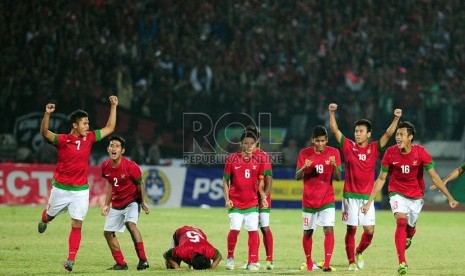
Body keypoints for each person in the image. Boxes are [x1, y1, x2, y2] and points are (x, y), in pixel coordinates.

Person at [361, 121, 459, 275]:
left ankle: (410, 234)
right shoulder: (390, 153)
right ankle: (402, 262)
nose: (398, 138)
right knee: (401, 222)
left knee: (410, 228)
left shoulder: (421, 152)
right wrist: (369, 202)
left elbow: (434, 177)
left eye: (401, 135)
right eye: (397, 135)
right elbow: (381, 179)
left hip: (416, 196)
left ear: (410, 137)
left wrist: (450, 197)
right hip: (396, 192)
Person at [37, 96, 118, 272]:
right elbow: (44, 133)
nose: (87, 126)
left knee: (77, 223)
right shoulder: (63, 140)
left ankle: (71, 259)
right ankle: (45, 217)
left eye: (88, 123)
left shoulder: (89, 138)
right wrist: (47, 114)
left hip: (81, 190)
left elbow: (110, 128)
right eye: (84, 123)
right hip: (61, 189)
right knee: (50, 216)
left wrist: (113, 106)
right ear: (75, 125)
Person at [328, 103, 402, 271]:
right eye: (356, 131)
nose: (357, 134)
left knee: (369, 231)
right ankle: (351, 262)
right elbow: (335, 131)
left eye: (361, 131)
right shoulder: (348, 147)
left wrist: (396, 117)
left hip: (367, 198)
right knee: (351, 228)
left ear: (368, 134)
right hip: (350, 196)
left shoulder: (374, 149)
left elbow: (389, 134)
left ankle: (359, 252)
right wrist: (331, 113)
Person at [295, 125, 342, 272]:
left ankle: (327, 263)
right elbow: (297, 177)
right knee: (308, 232)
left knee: (329, 229)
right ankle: (309, 263)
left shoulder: (334, 153)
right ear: (312, 140)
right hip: (309, 200)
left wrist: (334, 166)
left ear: (327, 140)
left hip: (327, 199)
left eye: (323, 140)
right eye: (317, 141)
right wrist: (304, 168)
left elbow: (338, 178)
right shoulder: (304, 154)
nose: (320, 144)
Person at [101, 135, 150, 270]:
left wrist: (143, 202)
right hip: (116, 204)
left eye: (117, 146)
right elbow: (110, 184)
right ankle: (121, 263)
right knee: (107, 233)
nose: (114, 148)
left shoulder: (131, 166)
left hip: (132, 201)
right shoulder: (105, 166)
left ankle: (143, 260)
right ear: (108, 149)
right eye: (112, 145)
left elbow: (141, 183)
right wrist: (106, 204)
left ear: (122, 151)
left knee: (130, 224)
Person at [223, 130, 267, 271]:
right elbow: (225, 180)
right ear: (241, 144)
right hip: (235, 203)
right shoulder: (232, 159)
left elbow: (261, 180)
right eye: (246, 143)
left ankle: (252, 261)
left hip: (252, 203)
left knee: (253, 231)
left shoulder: (258, 160)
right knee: (235, 229)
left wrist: (263, 196)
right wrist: (227, 199)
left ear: (255, 145)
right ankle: (230, 257)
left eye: (252, 144)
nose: (249, 146)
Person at [245, 125, 274, 270]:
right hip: (248, 198)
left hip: (262, 198)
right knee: (252, 229)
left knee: (264, 227)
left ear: (257, 140)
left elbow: (269, 178)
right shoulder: (243, 156)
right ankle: (253, 259)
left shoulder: (263, 156)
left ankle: (269, 259)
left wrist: (264, 197)